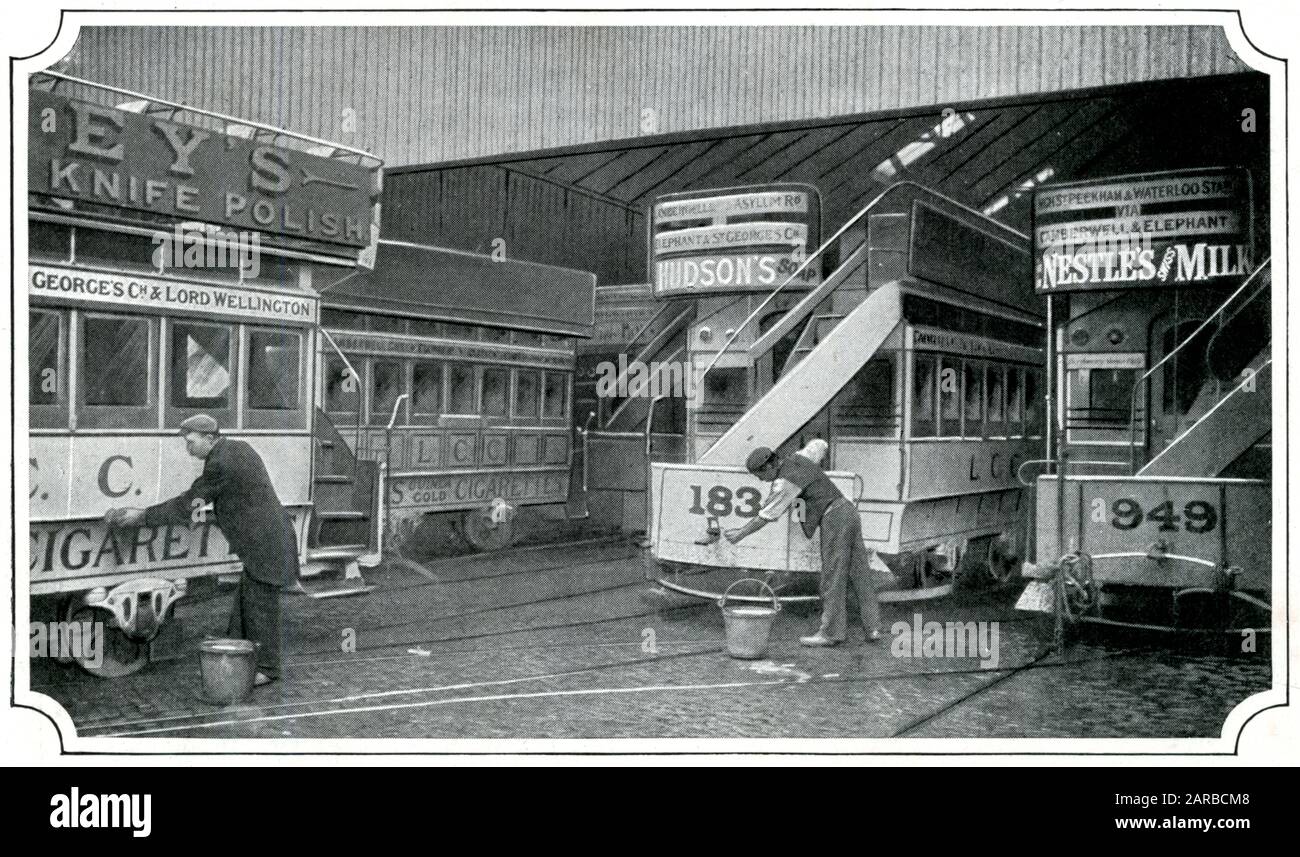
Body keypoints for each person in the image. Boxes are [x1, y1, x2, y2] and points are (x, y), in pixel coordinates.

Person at [105, 414, 299, 686]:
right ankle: (239, 660)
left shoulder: (220, 462)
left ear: (210, 438)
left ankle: (266, 669)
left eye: (191, 441)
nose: (188, 448)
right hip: (270, 536)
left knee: (259, 606)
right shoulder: (238, 448)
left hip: (264, 543)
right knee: (246, 603)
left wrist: (142, 515)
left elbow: (190, 503)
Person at [724, 440, 881, 647]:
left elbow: (766, 515)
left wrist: (740, 533)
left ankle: (831, 633)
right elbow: (820, 445)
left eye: (761, 475)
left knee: (832, 577)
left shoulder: (784, 482)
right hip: (849, 511)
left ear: (770, 466)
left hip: (834, 518)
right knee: (860, 572)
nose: (762, 480)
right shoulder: (799, 458)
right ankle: (873, 628)